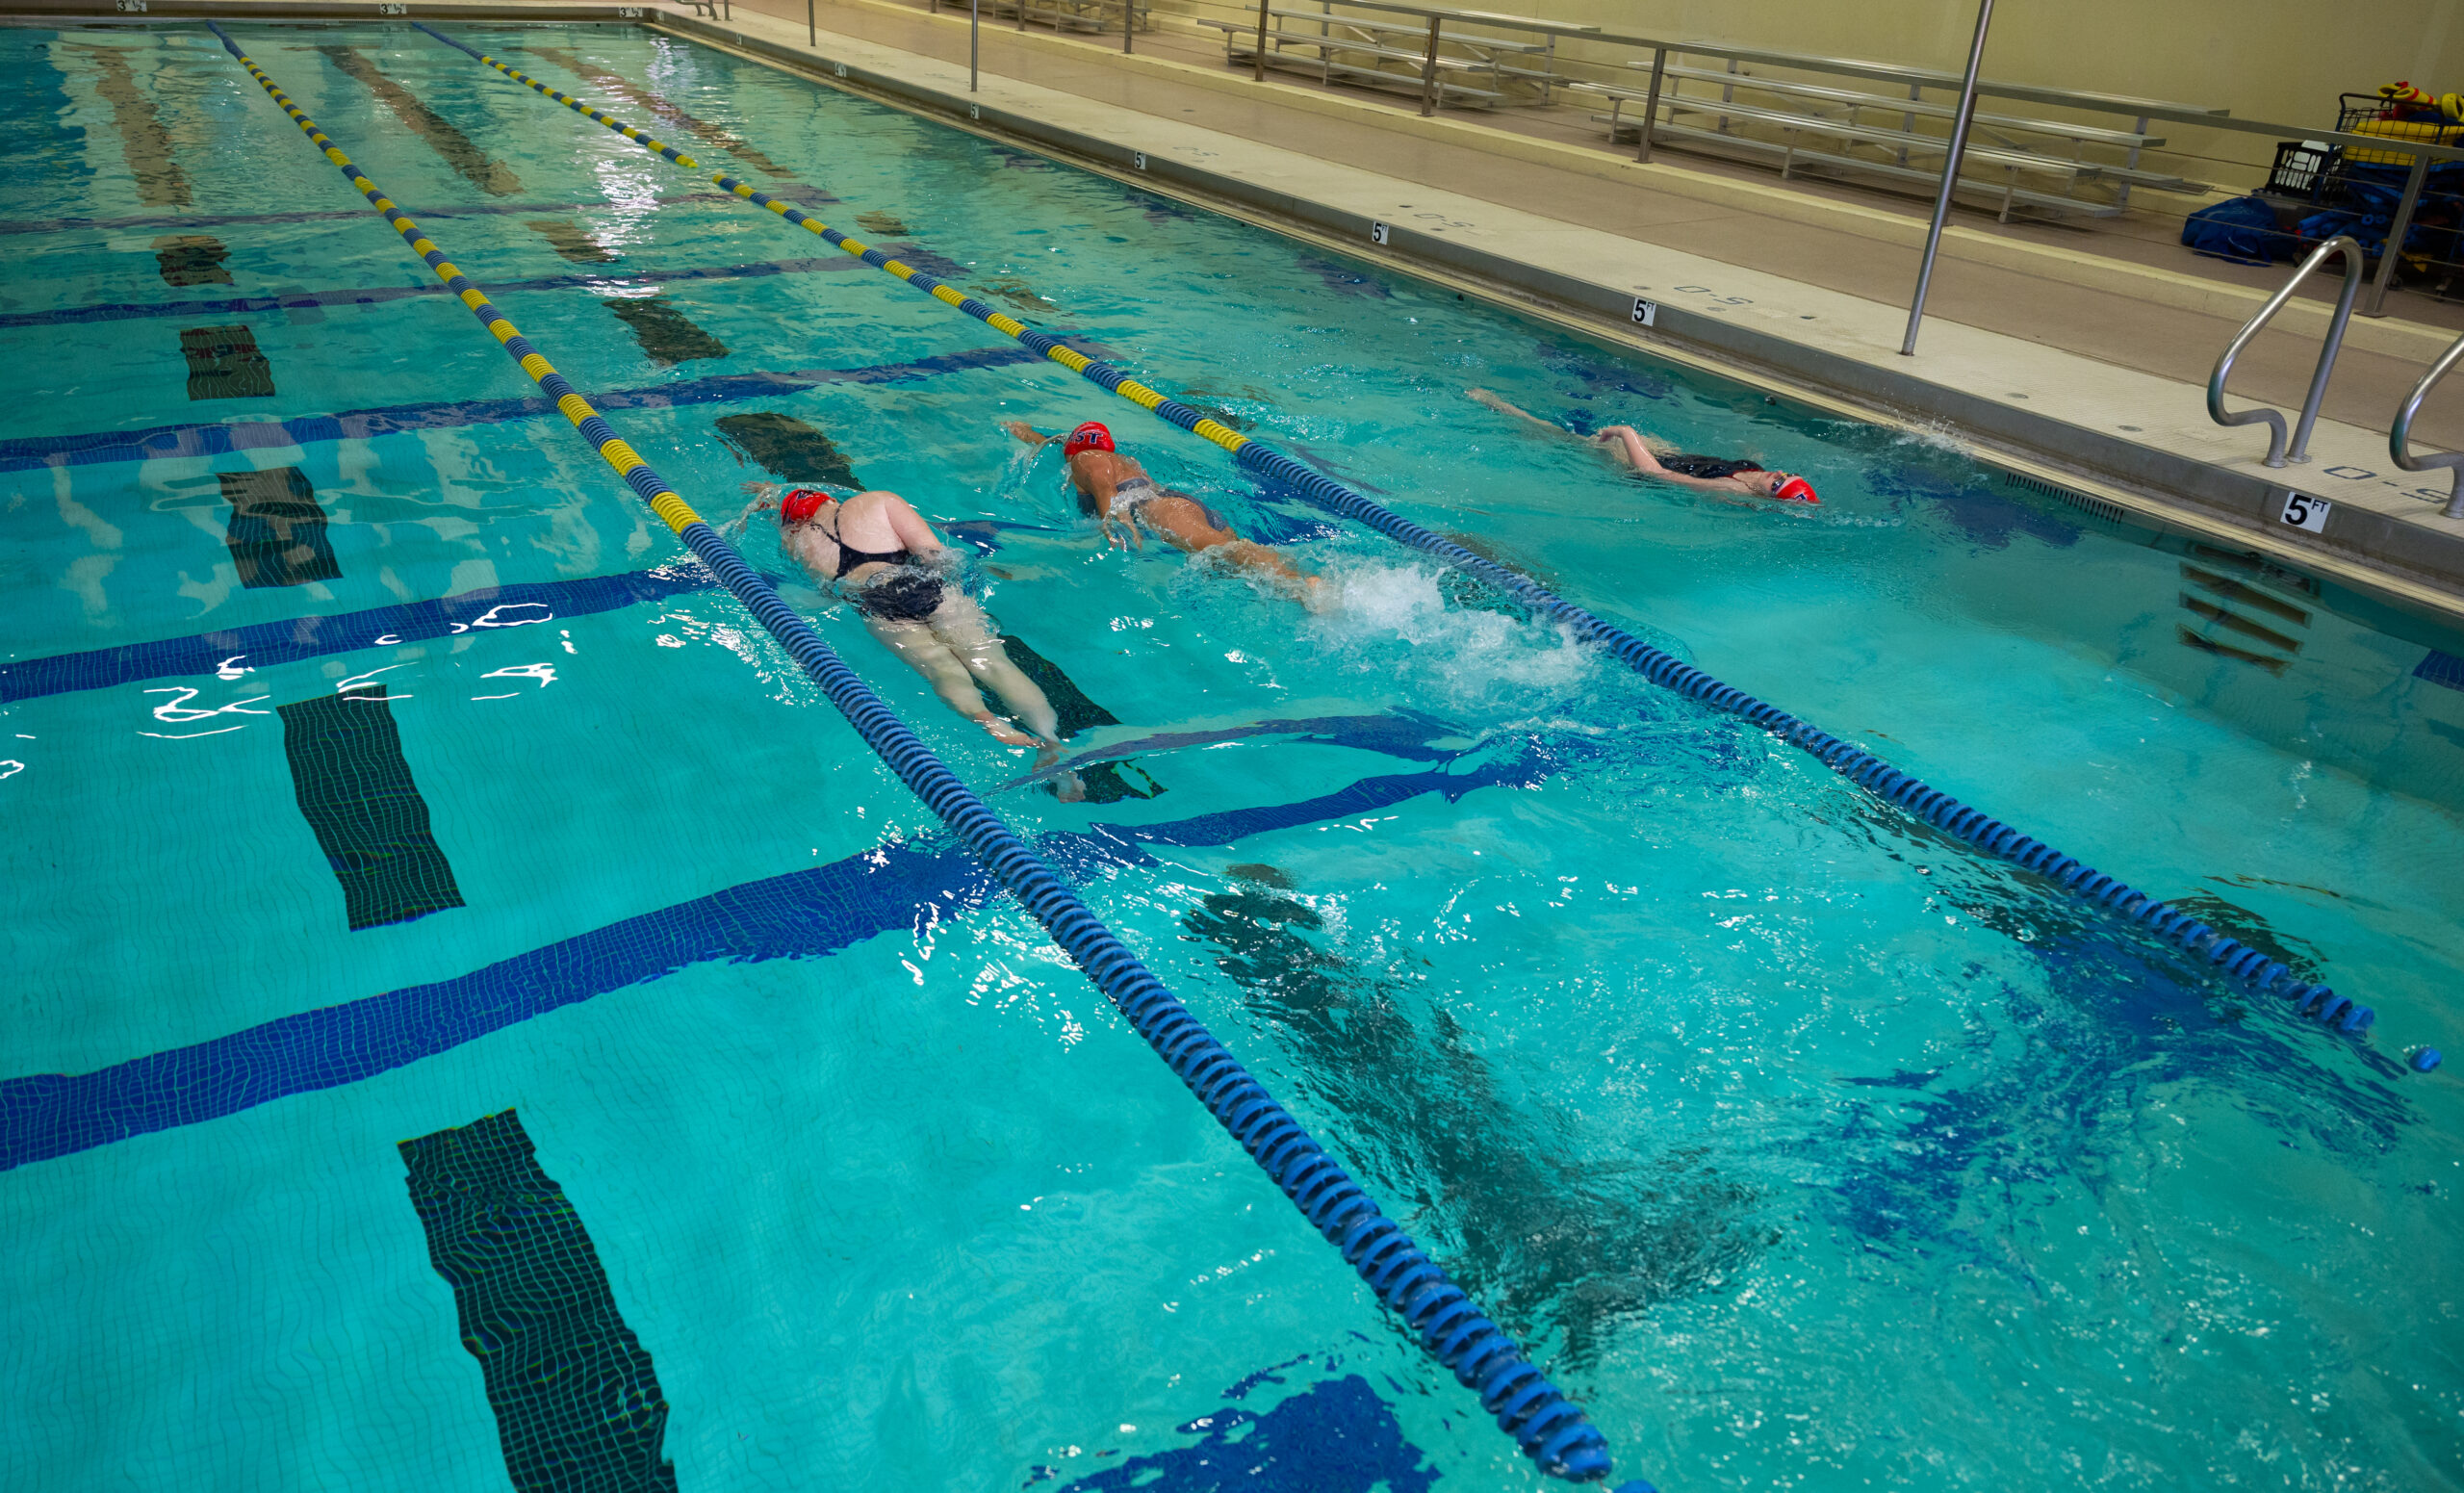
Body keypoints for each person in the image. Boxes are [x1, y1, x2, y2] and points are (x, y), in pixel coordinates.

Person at [749, 482, 1062, 751]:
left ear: (793, 524)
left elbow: (822, 597)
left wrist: (768, 502)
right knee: (993, 663)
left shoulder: (798, 543)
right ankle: (1051, 741)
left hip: (873, 600)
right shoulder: (877, 501)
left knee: (942, 669)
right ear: (830, 500)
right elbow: (935, 555)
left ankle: (989, 722)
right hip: (923, 584)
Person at [1003, 420, 1324, 604]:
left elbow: (1101, 481)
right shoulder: (1117, 459)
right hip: (1176, 504)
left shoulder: (1085, 459)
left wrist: (1114, 518)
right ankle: (1301, 588)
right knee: (1234, 563)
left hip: (1156, 509)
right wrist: (1030, 434)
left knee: (1227, 552)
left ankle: (1306, 583)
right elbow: (1064, 448)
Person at [1466, 389, 1818, 504]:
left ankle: (1502, 409)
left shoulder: (1730, 487)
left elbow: (1653, 473)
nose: (1777, 473)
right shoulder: (1754, 474)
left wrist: (1626, 433)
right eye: (1786, 474)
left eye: (1777, 483)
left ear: (1769, 497)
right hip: (1672, 454)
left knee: (1561, 437)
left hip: (1633, 463)